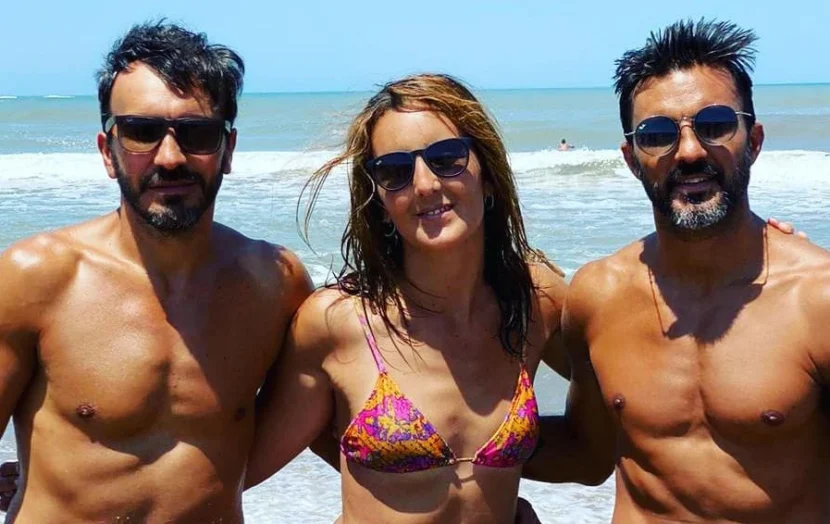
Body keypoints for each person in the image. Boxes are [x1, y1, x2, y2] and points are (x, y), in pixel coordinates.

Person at [244, 73, 613, 523]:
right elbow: (231, 472)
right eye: (394, 171)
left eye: (446, 158)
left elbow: (595, 454)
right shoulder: (337, 322)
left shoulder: (535, 301)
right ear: (380, 201)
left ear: (488, 176)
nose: (423, 184)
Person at [0, 21, 311, 522]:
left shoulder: (274, 284)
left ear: (228, 150)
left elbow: (337, 429)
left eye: (198, 134)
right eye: (141, 133)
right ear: (108, 151)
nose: (169, 157)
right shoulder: (35, 277)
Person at [532, 19, 830, 523]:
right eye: (658, 134)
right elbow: (587, 456)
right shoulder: (598, 295)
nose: (689, 151)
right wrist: (454, 451)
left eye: (715, 125)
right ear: (631, 159)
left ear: (754, 141)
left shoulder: (817, 299)